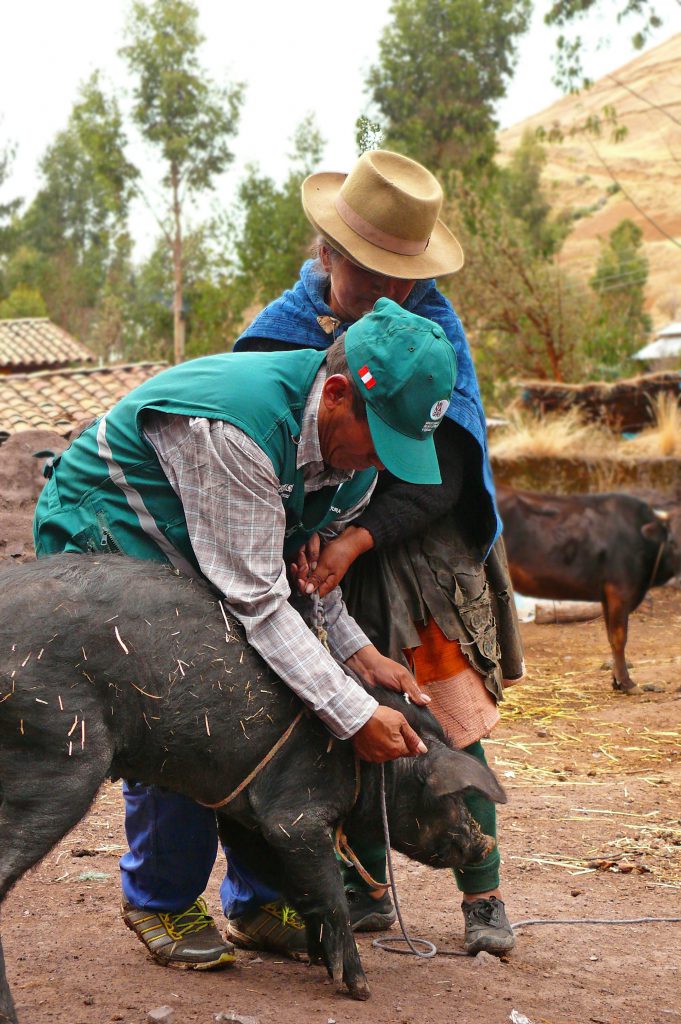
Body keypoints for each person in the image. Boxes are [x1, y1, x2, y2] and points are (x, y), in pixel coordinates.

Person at [33, 298, 457, 970]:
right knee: (182, 705)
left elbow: (300, 576)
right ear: (338, 395)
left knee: (282, 694)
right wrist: (352, 714)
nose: (380, 462)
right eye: (380, 439)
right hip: (116, 528)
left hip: (217, 549)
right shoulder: (235, 431)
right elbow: (258, 600)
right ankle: (161, 898)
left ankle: (256, 902)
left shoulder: (353, 460)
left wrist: (359, 653)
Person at [227, 149, 525, 957]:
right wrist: (308, 544)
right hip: (300, 548)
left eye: (402, 278)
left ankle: (483, 895)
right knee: (318, 703)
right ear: (325, 253)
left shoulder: (431, 330)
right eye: (366, 274)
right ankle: (357, 888)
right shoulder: (282, 330)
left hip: (413, 544)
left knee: (443, 712)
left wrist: (357, 536)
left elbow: (444, 475)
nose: (386, 293)